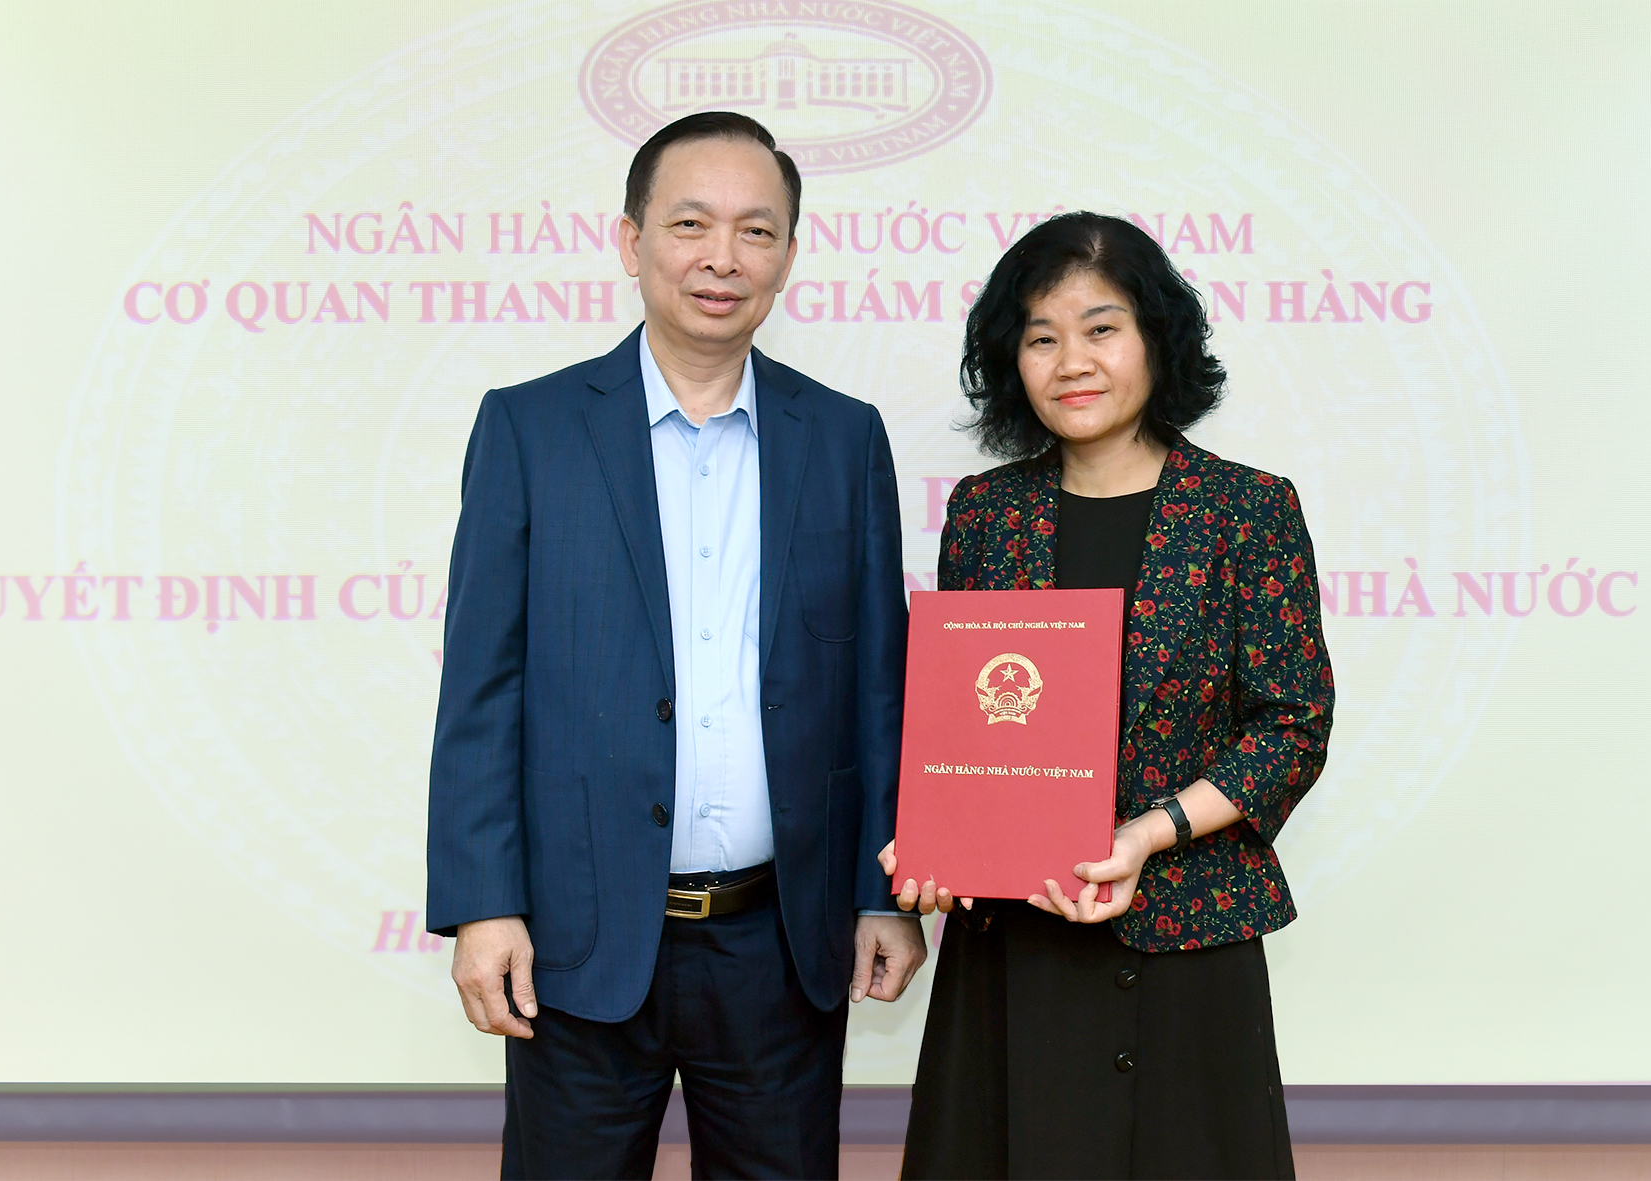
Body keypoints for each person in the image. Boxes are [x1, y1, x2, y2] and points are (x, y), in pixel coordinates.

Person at [426, 111, 928, 1181]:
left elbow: (877, 687)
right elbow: (481, 686)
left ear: (787, 255)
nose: (722, 257)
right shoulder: (529, 428)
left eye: (757, 230)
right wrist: (481, 903)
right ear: (631, 240)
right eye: (691, 223)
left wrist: (880, 892)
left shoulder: (844, 438)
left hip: (780, 941)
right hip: (578, 938)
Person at [883, 211, 1335, 1180]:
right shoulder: (984, 513)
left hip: (1187, 943)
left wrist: (1146, 832)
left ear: (1156, 340)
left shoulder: (1247, 508)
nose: (1071, 362)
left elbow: (1291, 727)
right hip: (1014, 945)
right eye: (1040, 337)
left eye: (1100, 329)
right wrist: (932, 838)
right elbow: (959, 723)